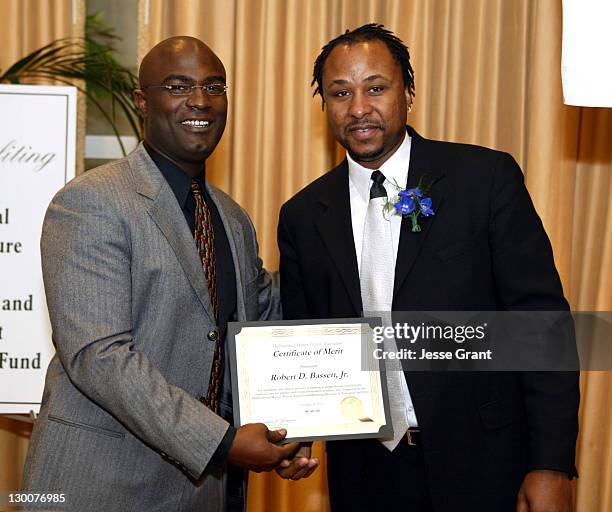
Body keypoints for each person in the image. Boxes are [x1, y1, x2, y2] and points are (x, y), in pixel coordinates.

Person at [277, 24, 579, 511]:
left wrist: (551, 464)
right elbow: (305, 339)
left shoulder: (484, 180)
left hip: (485, 466)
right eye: (341, 93)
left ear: (409, 92)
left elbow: (541, 324)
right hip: (365, 475)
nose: (358, 109)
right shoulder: (302, 215)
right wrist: (297, 432)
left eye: (376, 88)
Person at [22, 36, 315, 511]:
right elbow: (99, 355)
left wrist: (294, 425)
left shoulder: (232, 217)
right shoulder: (91, 202)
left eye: (214, 86)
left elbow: (260, 319)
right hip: (102, 485)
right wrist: (222, 442)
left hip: (204, 494)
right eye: (178, 86)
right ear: (143, 100)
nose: (200, 100)